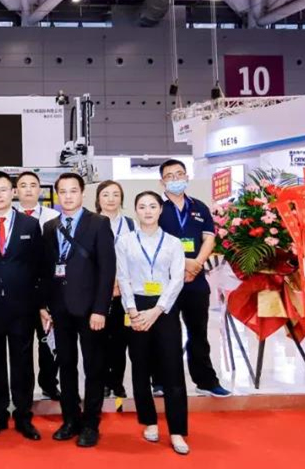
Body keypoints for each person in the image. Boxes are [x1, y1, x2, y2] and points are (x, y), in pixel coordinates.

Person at [40, 173, 115, 448]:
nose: (68, 196)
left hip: (90, 309)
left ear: (82, 193)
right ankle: (70, 419)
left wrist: (101, 309)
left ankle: (91, 424)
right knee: (66, 366)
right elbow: (46, 270)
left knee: (93, 367)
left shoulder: (99, 223)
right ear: (57, 195)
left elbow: (107, 269)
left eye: (73, 190)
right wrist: (44, 305)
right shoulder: (50, 227)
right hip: (60, 308)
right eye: (63, 191)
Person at [118, 191, 189, 455]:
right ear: (135, 210)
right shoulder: (125, 241)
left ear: (160, 210)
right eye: (142, 206)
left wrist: (158, 310)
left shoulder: (173, 243)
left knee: (172, 369)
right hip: (135, 306)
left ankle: (177, 430)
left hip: (165, 307)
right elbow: (123, 277)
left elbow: (177, 279)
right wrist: (133, 310)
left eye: (152, 206)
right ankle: (149, 421)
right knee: (140, 367)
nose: (147, 211)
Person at [0, 171, 44, 440]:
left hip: (22, 307)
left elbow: (39, 267)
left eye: (3, 190)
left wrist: (40, 304)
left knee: (23, 363)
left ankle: (24, 415)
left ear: (12, 192)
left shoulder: (30, 225)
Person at [157, 159, 231, 397]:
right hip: (166, 281)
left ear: (187, 177)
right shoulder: (157, 208)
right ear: (162, 182)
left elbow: (209, 238)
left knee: (198, 333)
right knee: (166, 334)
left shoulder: (199, 207)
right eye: (170, 176)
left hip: (196, 280)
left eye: (179, 174)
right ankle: (162, 381)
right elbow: (154, 242)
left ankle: (206, 381)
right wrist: (182, 265)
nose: (175, 179)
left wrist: (197, 263)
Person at [16, 170, 61, 401]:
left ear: (40, 190)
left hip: (47, 289)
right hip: (20, 293)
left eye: (33, 185)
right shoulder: (9, 216)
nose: (28, 189)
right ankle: (24, 390)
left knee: (48, 341)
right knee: (22, 345)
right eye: (23, 185)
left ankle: (49, 383)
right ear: (16, 191)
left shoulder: (54, 217)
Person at [95, 180, 134, 400]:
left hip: (123, 292)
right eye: (106, 194)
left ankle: (116, 382)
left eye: (115, 195)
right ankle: (101, 382)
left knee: (120, 341)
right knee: (98, 340)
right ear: (98, 199)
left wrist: (120, 283)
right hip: (97, 292)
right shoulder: (91, 223)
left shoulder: (130, 224)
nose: (111, 199)